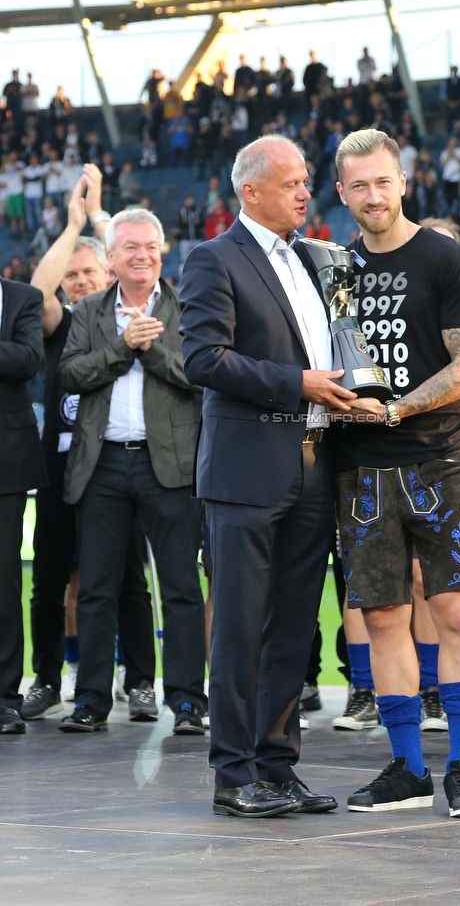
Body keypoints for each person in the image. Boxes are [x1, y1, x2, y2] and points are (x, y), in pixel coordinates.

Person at [180, 134, 347, 818]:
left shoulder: (314, 261)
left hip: (312, 463)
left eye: (307, 181)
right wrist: (297, 383)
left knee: (294, 630)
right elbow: (203, 360)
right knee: (241, 628)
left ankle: (278, 768)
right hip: (247, 469)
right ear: (250, 191)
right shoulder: (210, 259)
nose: (306, 192)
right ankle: (233, 773)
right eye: (291, 183)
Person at [333, 129, 460, 817]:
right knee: (383, 617)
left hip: (441, 457)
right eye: (358, 185)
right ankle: (404, 769)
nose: (372, 195)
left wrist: (394, 410)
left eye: (382, 181)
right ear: (342, 193)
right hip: (361, 469)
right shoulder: (334, 269)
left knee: (455, 612)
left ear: (403, 181)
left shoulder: (446, 258)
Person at [57, 208, 207, 735]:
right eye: (130, 247)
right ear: (113, 257)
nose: (141, 255)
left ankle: (188, 701)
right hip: (101, 466)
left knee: (181, 587)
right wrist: (123, 347)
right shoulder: (89, 311)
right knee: (97, 587)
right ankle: (92, 701)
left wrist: (151, 347)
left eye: (149, 245)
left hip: (169, 465)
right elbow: (70, 374)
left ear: (161, 251)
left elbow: (201, 374)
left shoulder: (190, 306)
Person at [23, 170, 157, 723]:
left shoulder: (125, 319)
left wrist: (100, 219)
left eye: (89, 272)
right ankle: (48, 677)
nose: (79, 282)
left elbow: (128, 252)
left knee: (126, 577)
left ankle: (142, 680)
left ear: (107, 272)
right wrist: (74, 225)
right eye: (72, 275)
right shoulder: (60, 324)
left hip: (112, 463)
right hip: (58, 467)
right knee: (50, 577)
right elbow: (35, 293)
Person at [0, 270, 48, 734]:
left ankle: (4, 697)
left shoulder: (23, 297)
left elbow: (27, 359)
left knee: (3, 582)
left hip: (6, 462)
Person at [440, 136, 460, 209]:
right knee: (446, 198)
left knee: (456, 198)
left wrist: (453, 154)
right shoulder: (445, 151)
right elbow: (442, 164)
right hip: (447, 178)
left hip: (457, 178)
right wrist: (448, 154)